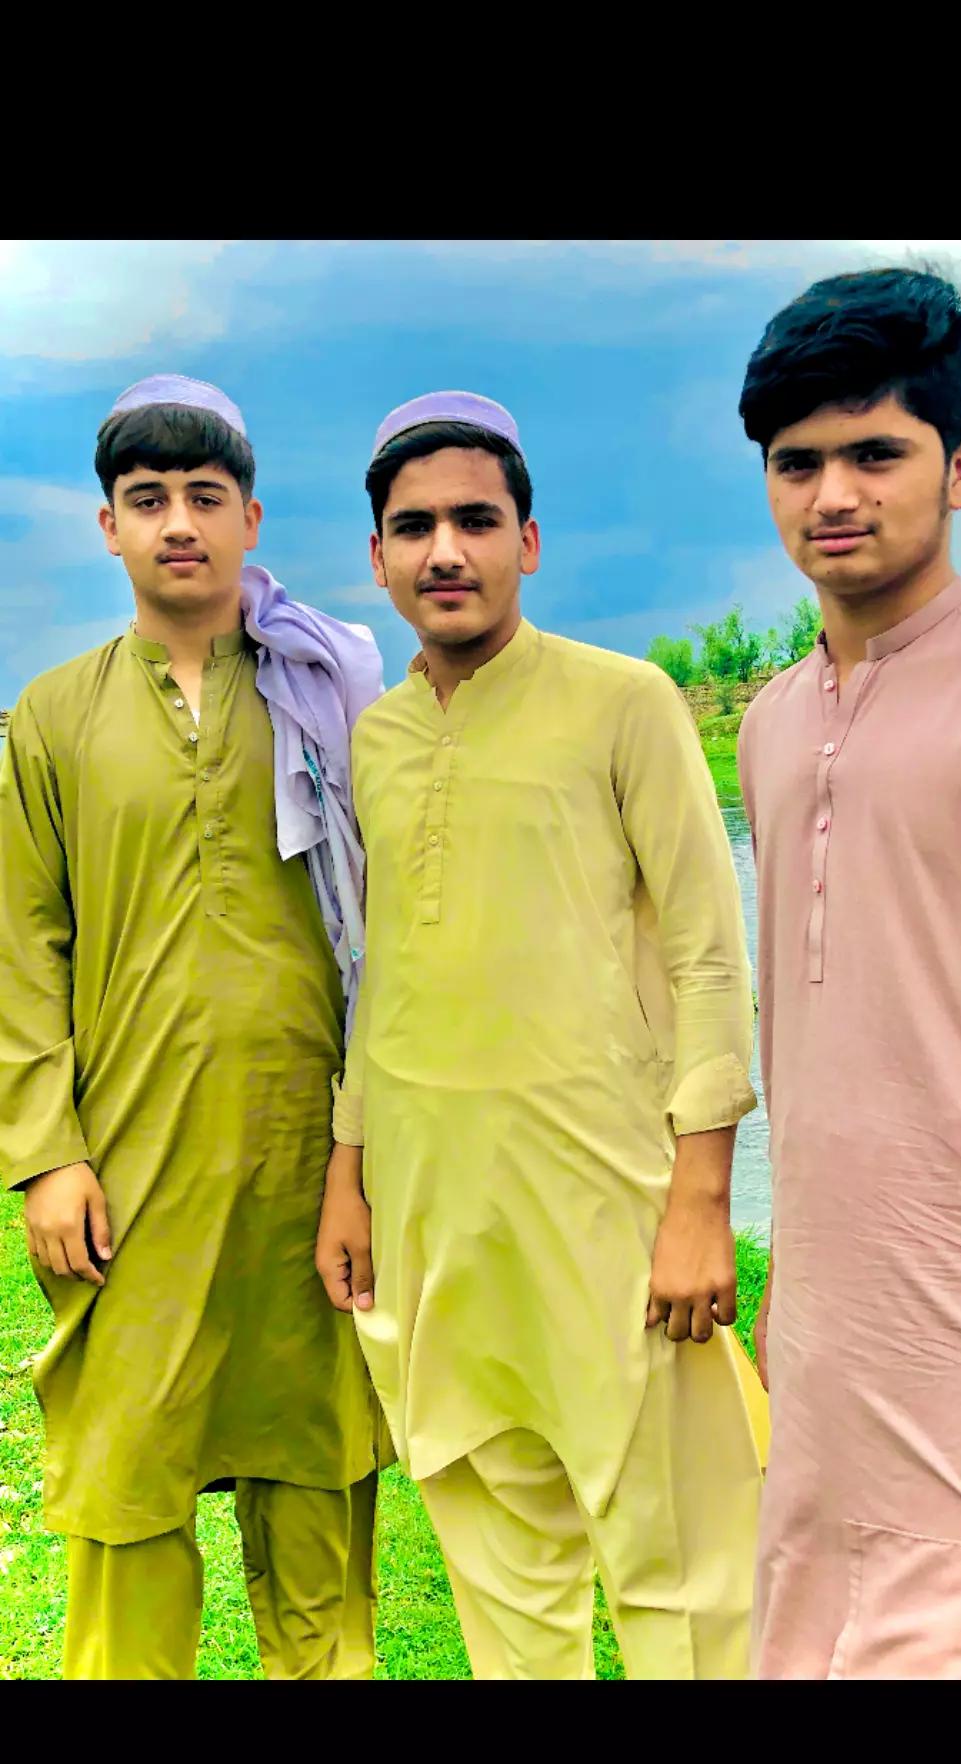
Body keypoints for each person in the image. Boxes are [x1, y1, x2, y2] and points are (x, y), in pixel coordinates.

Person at [314, 389, 768, 1681]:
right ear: (378, 558)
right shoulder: (379, 739)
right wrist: (350, 1173)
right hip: (437, 1213)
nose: (445, 550)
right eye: (415, 528)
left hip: (609, 1204)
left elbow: (709, 956)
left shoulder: (625, 703)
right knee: (495, 1551)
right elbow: (384, 972)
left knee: (683, 1565)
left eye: (475, 520)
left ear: (528, 540)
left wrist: (702, 1198)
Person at [0, 374, 387, 1680]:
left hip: (306, 1166)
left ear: (250, 519)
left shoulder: (325, 699)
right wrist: (47, 1155)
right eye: (148, 497)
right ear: (107, 524)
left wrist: (368, 1152)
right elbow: (21, 951)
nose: (179, 522)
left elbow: (389, 933)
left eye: (206, 496)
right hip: (130, 1171)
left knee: (316, 1474)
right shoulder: (54, 717)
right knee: (126, 1483)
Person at [737, 268, 961, 1679]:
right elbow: (810, 1039)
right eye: (797, 461)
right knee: (806, 1637)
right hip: (834, 1317)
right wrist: (790, 1281)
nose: (835, 495)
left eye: (876, 452)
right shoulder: (768, 725)